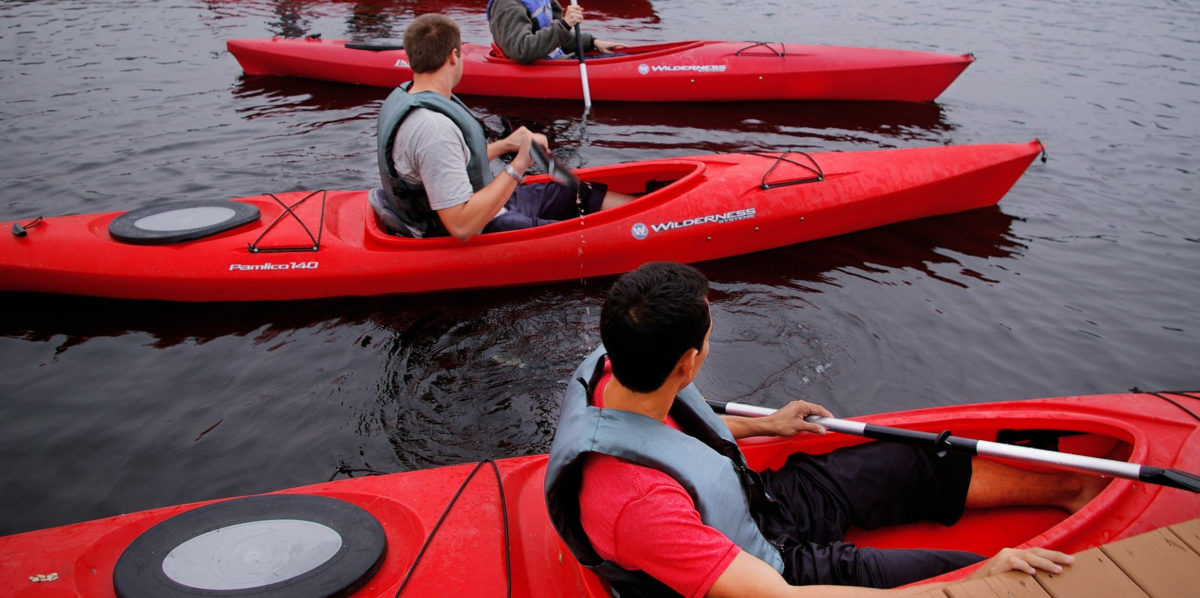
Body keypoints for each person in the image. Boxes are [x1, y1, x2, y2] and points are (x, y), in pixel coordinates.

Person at [545, 262, 1101, 597]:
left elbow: (676, 436)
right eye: (712, 332)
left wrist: (769, 426)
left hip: (758, 506)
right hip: (771, 568)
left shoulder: (620, 360)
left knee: (909, 462)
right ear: (688, 363)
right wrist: (983, 577)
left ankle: (1074, 490)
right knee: (969, 576)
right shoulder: (637, 508)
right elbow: (779, 594)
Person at [375, 14, 633, 241]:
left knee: (574, 192)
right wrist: (519, 164)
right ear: (454, 56)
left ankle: (645, 216)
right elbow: (461, 227)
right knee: (575, 233)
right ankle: (643, 231)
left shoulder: (411, 95)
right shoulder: (432, 128)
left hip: (484, 202)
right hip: (476, 225)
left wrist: (506, 144)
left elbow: (449, 163)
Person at [487, 0, 625, 64]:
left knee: (622, 56)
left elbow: (556, 38)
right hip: (542, 68)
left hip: (557, 61)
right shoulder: (506, 5)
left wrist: (591, 42)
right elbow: (522, 50)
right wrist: (565, 24)